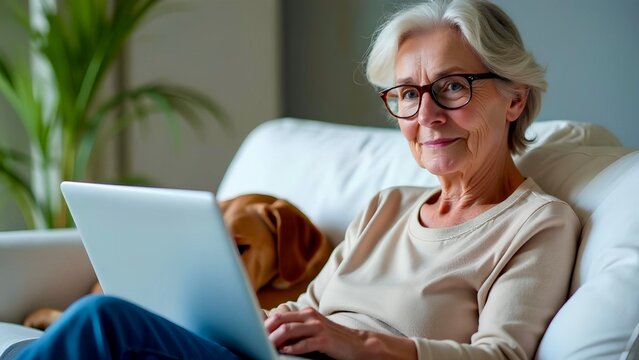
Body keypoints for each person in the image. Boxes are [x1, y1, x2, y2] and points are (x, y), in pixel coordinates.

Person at [16, 0, 579, 359]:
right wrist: (255, 320)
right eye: (407, 94)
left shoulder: (537, 224)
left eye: (453, 87)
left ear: (514, 98)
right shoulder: (388, 205)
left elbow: (502, 355)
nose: (426, 116)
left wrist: (360, 344)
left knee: (100, 321)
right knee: (110, 328)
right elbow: (309, 305)